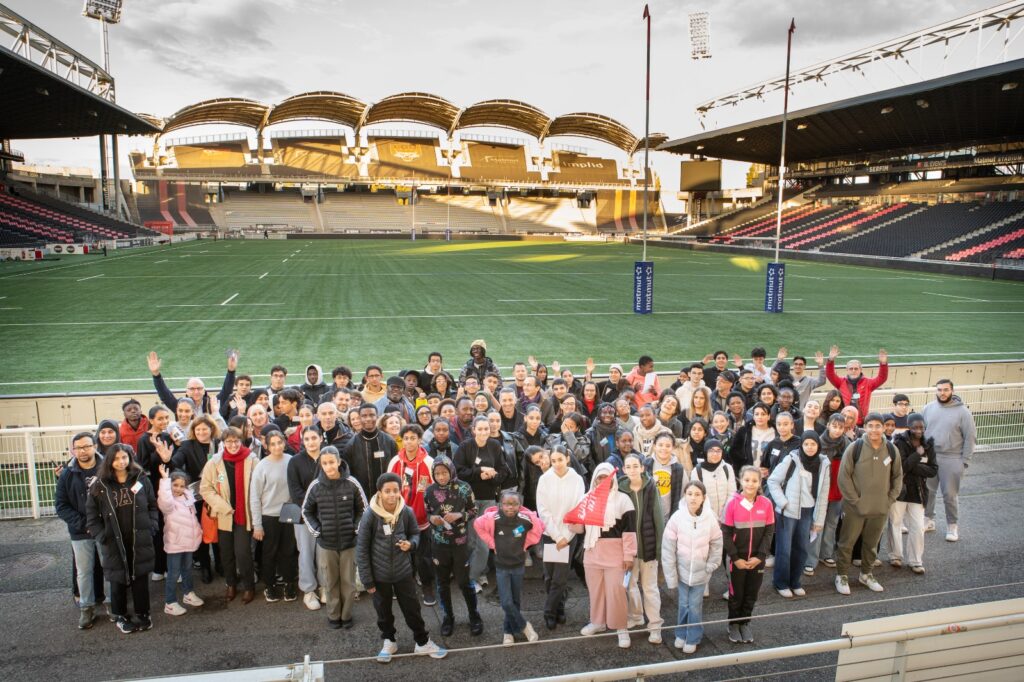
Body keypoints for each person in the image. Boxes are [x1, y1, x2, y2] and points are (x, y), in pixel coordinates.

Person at [356, 472, 447, 663]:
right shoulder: (370, 515)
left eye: (395, 490)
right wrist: (367, 580)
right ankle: (389, 641)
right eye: (387, 491)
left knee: (412, 609)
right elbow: (362, 549)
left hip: (403, 572)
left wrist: (411, 544)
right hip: (379, 575)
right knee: (383, 611)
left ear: (400, 491)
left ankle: (422, 642)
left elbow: (415, 534)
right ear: (379, 492)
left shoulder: (406, 512)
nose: (391, 495)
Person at [86, 444, 158, 634]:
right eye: (116, 458)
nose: (121, 462)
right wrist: (101, 536)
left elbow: (152, 504)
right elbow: (92, 517)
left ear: (130, 458)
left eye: (124, 457)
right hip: (113, 539)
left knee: (140, 577)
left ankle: (143, 613)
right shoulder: (100, 485)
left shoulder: (141, 478)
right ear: (110, 461)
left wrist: (152, 525)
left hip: (139, 536)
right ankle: (121, 616)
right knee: (117, 578)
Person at [834, 413, 903, 596]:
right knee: (846, 543)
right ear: (864, 427)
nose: (874, 429)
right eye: (870, 425)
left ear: (883, 428)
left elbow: (897, 477)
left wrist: (889, 500)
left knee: (871, 544)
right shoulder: (854, 448)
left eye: (878, 426)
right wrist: (855, 501)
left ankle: (866, 574)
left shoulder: (891, 449)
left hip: (880, 507)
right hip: (854, 507)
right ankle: (842, 575)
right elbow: (844, 477)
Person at [302, 446, 366, 629]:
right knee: (330, 582)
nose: (329, 466)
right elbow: (306, 511)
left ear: (339, 462)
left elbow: (364, 509)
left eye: (332, 462)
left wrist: (356, 528)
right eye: (324, 463)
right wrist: (317, 531)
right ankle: (333, 615)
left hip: (349, 543)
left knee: (348, 582)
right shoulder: (315, 486)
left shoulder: (352, 483)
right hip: (326, 544)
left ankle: (346, 615)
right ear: (321, 465)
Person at [473, 491, 544, 645]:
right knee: (506, 602)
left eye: (514, 504)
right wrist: (492, 544)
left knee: (515, 600)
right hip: (501, 567)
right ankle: (525, 626)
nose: (510, 507)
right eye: (506, 504)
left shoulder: (525, 520)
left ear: (520, 505)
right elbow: (477, 524)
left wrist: (526, 545)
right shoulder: (494, 519)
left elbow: (539, 528)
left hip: (518, 565)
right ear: (500, 505)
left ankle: (508, 632)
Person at [579, 462, 637, 649]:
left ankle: (621, 627)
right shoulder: (587, 499)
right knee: (595, 590)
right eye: (599, 478)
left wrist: (629, 555)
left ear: (613, 479)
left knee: (617, 591)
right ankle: (598, 622)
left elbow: (630, 532)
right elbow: (580, 528)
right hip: (592, 551)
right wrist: (572, 521)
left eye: (607, 477)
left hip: (615, 553)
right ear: (595, 480)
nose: (603, 481)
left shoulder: (623, 500)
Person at [662, 480, 723, 654]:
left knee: (695, 605)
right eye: (690, 494)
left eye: (697, 494)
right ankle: (681, 633)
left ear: (704, 497)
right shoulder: (677, 518)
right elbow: (667, 548)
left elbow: (717, 542)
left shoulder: (710, 518)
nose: (693, 498)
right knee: (683, 604)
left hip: (700, 573)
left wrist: (712, 564)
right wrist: (671, 576)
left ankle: (693, 637)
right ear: (685, 496)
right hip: (682, 572)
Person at [767, 431, 830, 598]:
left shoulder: (824, 464)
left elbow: (823, 494)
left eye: (813, 444)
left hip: (808, 511)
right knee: (784, 549)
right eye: (806, 444)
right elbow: (772, 481)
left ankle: (795, 581)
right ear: (801, 445)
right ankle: (780, 582)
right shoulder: (791, 459)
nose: (809, 447)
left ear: (818, 445)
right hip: (788, 511)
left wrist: (819, 520)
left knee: (801, 549)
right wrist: (783, 503)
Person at [424, 455, 482, 637]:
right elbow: (427, 513)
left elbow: (474, 510)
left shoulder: (464, 487)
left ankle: (474, 616)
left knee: (465, 582)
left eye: (444, 472)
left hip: (460, 543)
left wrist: (460, 515)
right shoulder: (430, 491)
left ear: (451, 471)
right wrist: (432, 519)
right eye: (438, 473)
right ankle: (448, 617)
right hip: (439, 544)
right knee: (442, 583)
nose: (441, 476)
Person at [200, 426, 258, 604]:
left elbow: (257, 488)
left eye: (236, 441)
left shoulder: (252, 459)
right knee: (226, 553)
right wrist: (223, 506)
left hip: (244, 514)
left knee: (243, 553)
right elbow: (205, 488)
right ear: (223, 443)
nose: (232, 445)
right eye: (228, 441)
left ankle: (249, 586)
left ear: (241, 441)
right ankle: (231, 584)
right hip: (224, 515)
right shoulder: (214, 462)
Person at [55, 432, 108, 629]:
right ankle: (87, 609)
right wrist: (83, 524)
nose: (82, 451)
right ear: (72, 450)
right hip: (80, 531)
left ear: (95, 446)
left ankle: (112, 605)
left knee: (109, 567)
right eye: (78, 448)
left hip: (105, 528)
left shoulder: (107, 468)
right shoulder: (68, 474)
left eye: (86, 446)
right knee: (84, 572)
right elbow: (61, 505)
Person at [455, 415, 510, 590]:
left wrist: (493, 477)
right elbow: (458, 472)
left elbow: (504, 470)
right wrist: (479, 472)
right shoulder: (465, 447)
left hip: (488, 499)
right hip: (469, 500)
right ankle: (479, 572)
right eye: (480, 429)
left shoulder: (494, 445)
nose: (484, 432)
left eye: (486, 429)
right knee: (472, 540)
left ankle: (472, 577)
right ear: (473, 430)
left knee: (484, 542)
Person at [722, 466, 775, 644]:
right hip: (737, 559)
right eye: (747, 480)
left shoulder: (766, 504)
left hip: (756, 559)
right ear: (740, 480)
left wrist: (760, 556)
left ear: (760, 482)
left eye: (754, 481)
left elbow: (769, 532)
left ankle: (745, 622)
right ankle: (733, 624)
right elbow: (726, 534)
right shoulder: (732, 503)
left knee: (751, 593)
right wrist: (735, 559)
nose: (750, 484)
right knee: (736, 594)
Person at [535, 445, 585, 630]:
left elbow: (578, 507)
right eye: (553, 460)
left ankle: (550, 612)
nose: (556, 464)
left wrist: (566, 536)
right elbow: (543, 510)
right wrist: (557, 536)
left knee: (560, 578)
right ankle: (559, 607)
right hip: (551, 535)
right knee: (549, 576)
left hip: (569, 535)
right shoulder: (545, 479)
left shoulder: (577, 479)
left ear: (568, 459)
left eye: (560, 460)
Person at [920, 379, 976, 542]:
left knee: (949, 495)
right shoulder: (928, 408)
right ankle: (928, 520)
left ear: (952, 391)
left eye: (945, 390)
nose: (942, 393)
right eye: (939, 390)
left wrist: (965, 461)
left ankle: (952, 526)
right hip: (931, 456)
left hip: (952, 458)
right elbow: (921, 432)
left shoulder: (963, 412)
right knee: (928, 492)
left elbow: (970, 437)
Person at [387, 424, 436, 605]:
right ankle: (402, 587)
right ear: (402, 440)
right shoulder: (395, 462)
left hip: (422, 519)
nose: (409, 442)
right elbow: (387, 488)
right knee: (401, 554)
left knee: (424, 556)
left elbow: (435, 489)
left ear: (419, 440)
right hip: (400, 518)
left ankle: (428, 587)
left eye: (413, 438)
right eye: (405, 438)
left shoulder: (429, 462)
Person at [619, 453, 666, 644]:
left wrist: (658, 549)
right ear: (623, 470)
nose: (631, 470)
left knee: (650, 588)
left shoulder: (651, 488)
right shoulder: (621, 490)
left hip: (647, 548)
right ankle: (636, 616)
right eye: (628, 466)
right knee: (630, 586)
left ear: (642, 468)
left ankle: (655, 626)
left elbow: (659, 519)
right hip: (629, 552)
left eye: (635, 466)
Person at [887, 414, 937, 574]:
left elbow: (933, 470)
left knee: (917, 526)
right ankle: (895, 555)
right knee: (895, 523)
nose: (919, 430)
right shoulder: (899, 442)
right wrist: (918, 455)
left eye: (921, 427)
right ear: (909, 427)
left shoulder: (929, 444)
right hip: (900, 490)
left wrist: (912, 463)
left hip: (918, 492)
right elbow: (901, 466)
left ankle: (915, 560)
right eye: (915, 427)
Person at [249, 430, 296, 602]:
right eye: (273, 443)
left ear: (284, 442)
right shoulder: (262, 466)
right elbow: (254, 496)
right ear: (267, 446)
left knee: (289, 552)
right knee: (269, 552)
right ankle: (269, 586)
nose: (277, 446)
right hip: (269, 514)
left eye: (280, 442)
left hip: (289, 510)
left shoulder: (291, 461)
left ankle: (290, 583)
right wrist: (257, 524)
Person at [156, 466, 205, 616]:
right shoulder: (168, 501)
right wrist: (164, 480)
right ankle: (170, 603)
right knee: (173, 573)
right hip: (175, 543)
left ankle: (188, 593)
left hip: (189, 542)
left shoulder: (187, 497)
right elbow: (165, 501)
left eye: (182, 486)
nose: (178, 489)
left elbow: (193, 517)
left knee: (187, 569)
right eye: (175, 485)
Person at [288, 426, 328, 608]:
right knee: (305, 552)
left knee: (324, 553)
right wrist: (312, 505)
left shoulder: (328, 458)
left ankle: (325, 587)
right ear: (303, 441)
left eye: (314, 438)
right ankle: (309, 590)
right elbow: (295, 490)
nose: (311, 442)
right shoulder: (295, 461)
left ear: (321, 438)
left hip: (327, 513)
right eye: (307, 439)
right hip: (304, 514)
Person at [805, 414, 850, 574]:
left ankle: (827, 554)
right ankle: (810, 560)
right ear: (828, 425)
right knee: (817, 525)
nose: (837, 430)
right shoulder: (818, 442)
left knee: (832, 523)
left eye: (841, 427)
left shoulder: (847, 444)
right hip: (821, 489)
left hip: (838, 489)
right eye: (834, 426)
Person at [147, 350, 237, 417]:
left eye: (199, 388)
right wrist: (156, 374)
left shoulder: (212, 403)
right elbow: (164, 394)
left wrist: (231, 371)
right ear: (186, 391)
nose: (196, 391)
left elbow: (227, 391)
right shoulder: (180, 405)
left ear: (204, 390)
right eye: (192, 389)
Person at [343, 403, 398, 497]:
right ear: (360, 418)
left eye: (372, 415)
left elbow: (396, 470)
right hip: (362, 496)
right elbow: (349, 476)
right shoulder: (351, 445)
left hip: (387, 496)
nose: (368, 419)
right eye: (364, 416)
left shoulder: (389, 442)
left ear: (377, 416)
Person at [824, 346, 888, 425]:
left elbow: (882, 378)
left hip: (862, 422)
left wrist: (883, 364)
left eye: (856, 368)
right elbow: (830, 375)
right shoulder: (841, 382)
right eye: (851, 369)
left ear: (860, 370)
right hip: (844, 420)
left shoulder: (868, 383)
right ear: (847, 370)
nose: (853, 371)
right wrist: (830, 360)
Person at [646, 432, 686, 520]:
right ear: (654, 446)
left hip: (670, 517)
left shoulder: (679, 469)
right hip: (649, 516)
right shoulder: (645, 465)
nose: (664, 448)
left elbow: (684, 494)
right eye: (660, 445)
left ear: (673, 448)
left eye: (668, 446)